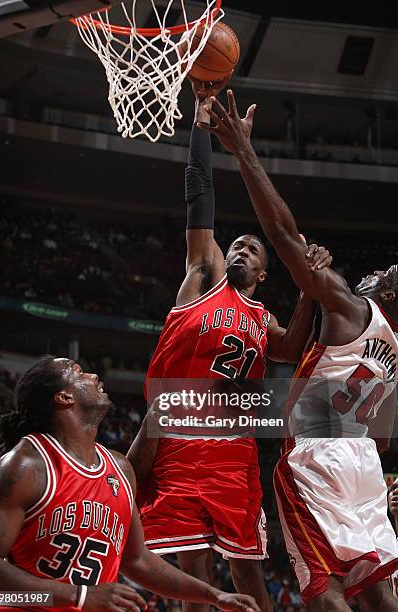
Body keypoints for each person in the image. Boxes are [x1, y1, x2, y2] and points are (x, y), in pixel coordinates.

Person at [128, 79, 332, 612]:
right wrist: (200, 124)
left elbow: (288, 349)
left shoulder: (262, 317)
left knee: (249, 571)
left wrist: (310, 285)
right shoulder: (202, 278)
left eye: (250, 249)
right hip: (178, 435)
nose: (238, 249)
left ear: (264, 274)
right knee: (192, 572)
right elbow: (199, 195)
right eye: (235, 245)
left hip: (235, 448)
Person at [198, 89, 398, 611]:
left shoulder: (354, 308)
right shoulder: (395, 351)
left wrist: (242, 148)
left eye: (383, 275)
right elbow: (378, 442)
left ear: (389, 295)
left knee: (322, 587)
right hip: (365, 469)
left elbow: (283, 234)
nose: (372, 275)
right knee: (377, 591)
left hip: (319, 455)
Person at [0, 356, 261, 612]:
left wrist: (214, 595)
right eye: (78, 371)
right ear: (64, 397)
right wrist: (78, 596)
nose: (93, 375)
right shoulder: (26, 466)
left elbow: (137, 560)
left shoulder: (119, 469)